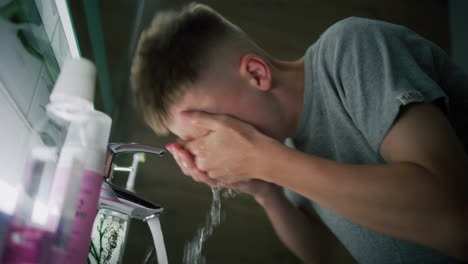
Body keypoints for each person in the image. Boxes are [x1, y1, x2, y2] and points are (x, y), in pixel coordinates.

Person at [130, 3, 468, 264]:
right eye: (197, 139)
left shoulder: (350, 50)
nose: (216, 144)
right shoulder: (284, 144)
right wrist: (265, 191)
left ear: (256, 74)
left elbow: (455, 220)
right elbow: (318, 249)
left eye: (210, 126)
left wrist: (265, 162)